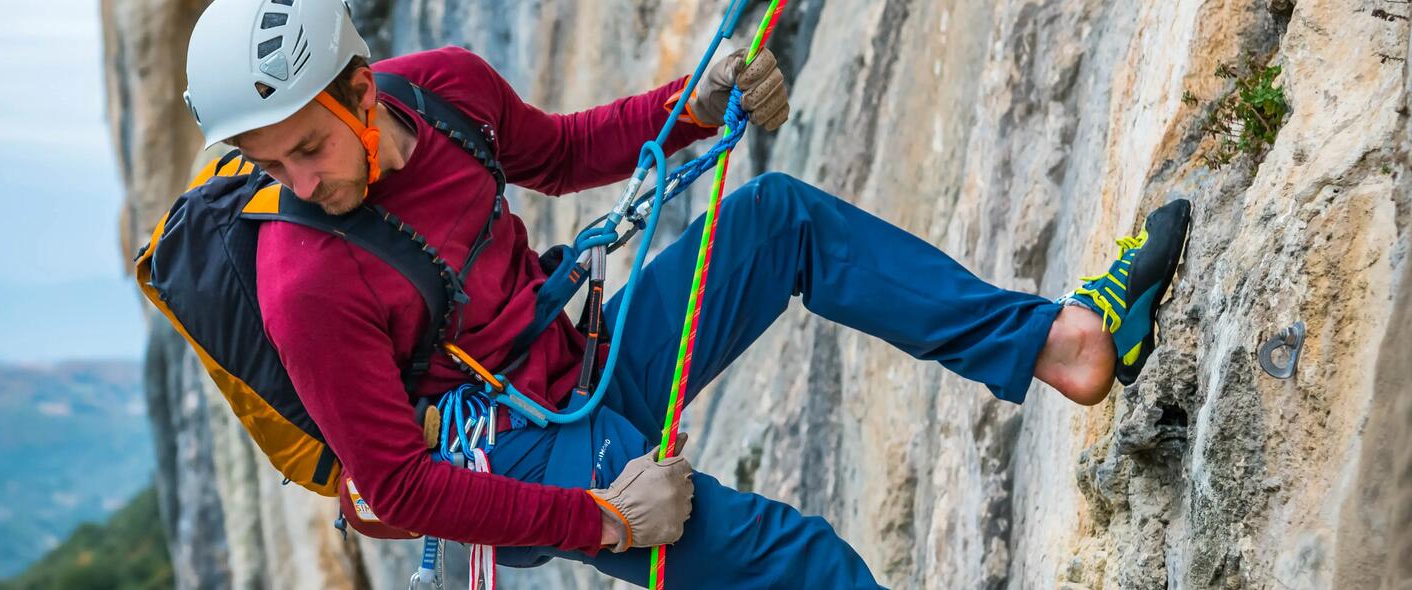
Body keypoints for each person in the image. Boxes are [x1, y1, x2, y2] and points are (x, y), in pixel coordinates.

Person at [174, 0, 1191, 586]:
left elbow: (562, 153)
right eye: (274, 164)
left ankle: (1061, 343)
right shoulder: (303, 280)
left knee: (782, 219)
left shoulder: (440, 91)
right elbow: (395, 487)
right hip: (508, 452)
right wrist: (607, 521)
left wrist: (691, 109)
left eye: (306, 147)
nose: (302, 182)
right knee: (797, 561)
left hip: (571, 366)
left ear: (359, 87)